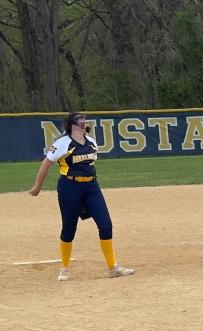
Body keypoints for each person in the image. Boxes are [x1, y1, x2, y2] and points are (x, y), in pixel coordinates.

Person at [28, 112, 135, 281]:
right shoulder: (62, 143)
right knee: (69, 228)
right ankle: (64, 268)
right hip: (70, 187)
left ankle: (113, 267)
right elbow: (46, 164)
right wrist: (37, 187)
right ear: (72, 124)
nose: (84, 121)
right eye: (80, 119)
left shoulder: (91, 141)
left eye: (84, 119)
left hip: (91, 186)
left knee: (106, 225)